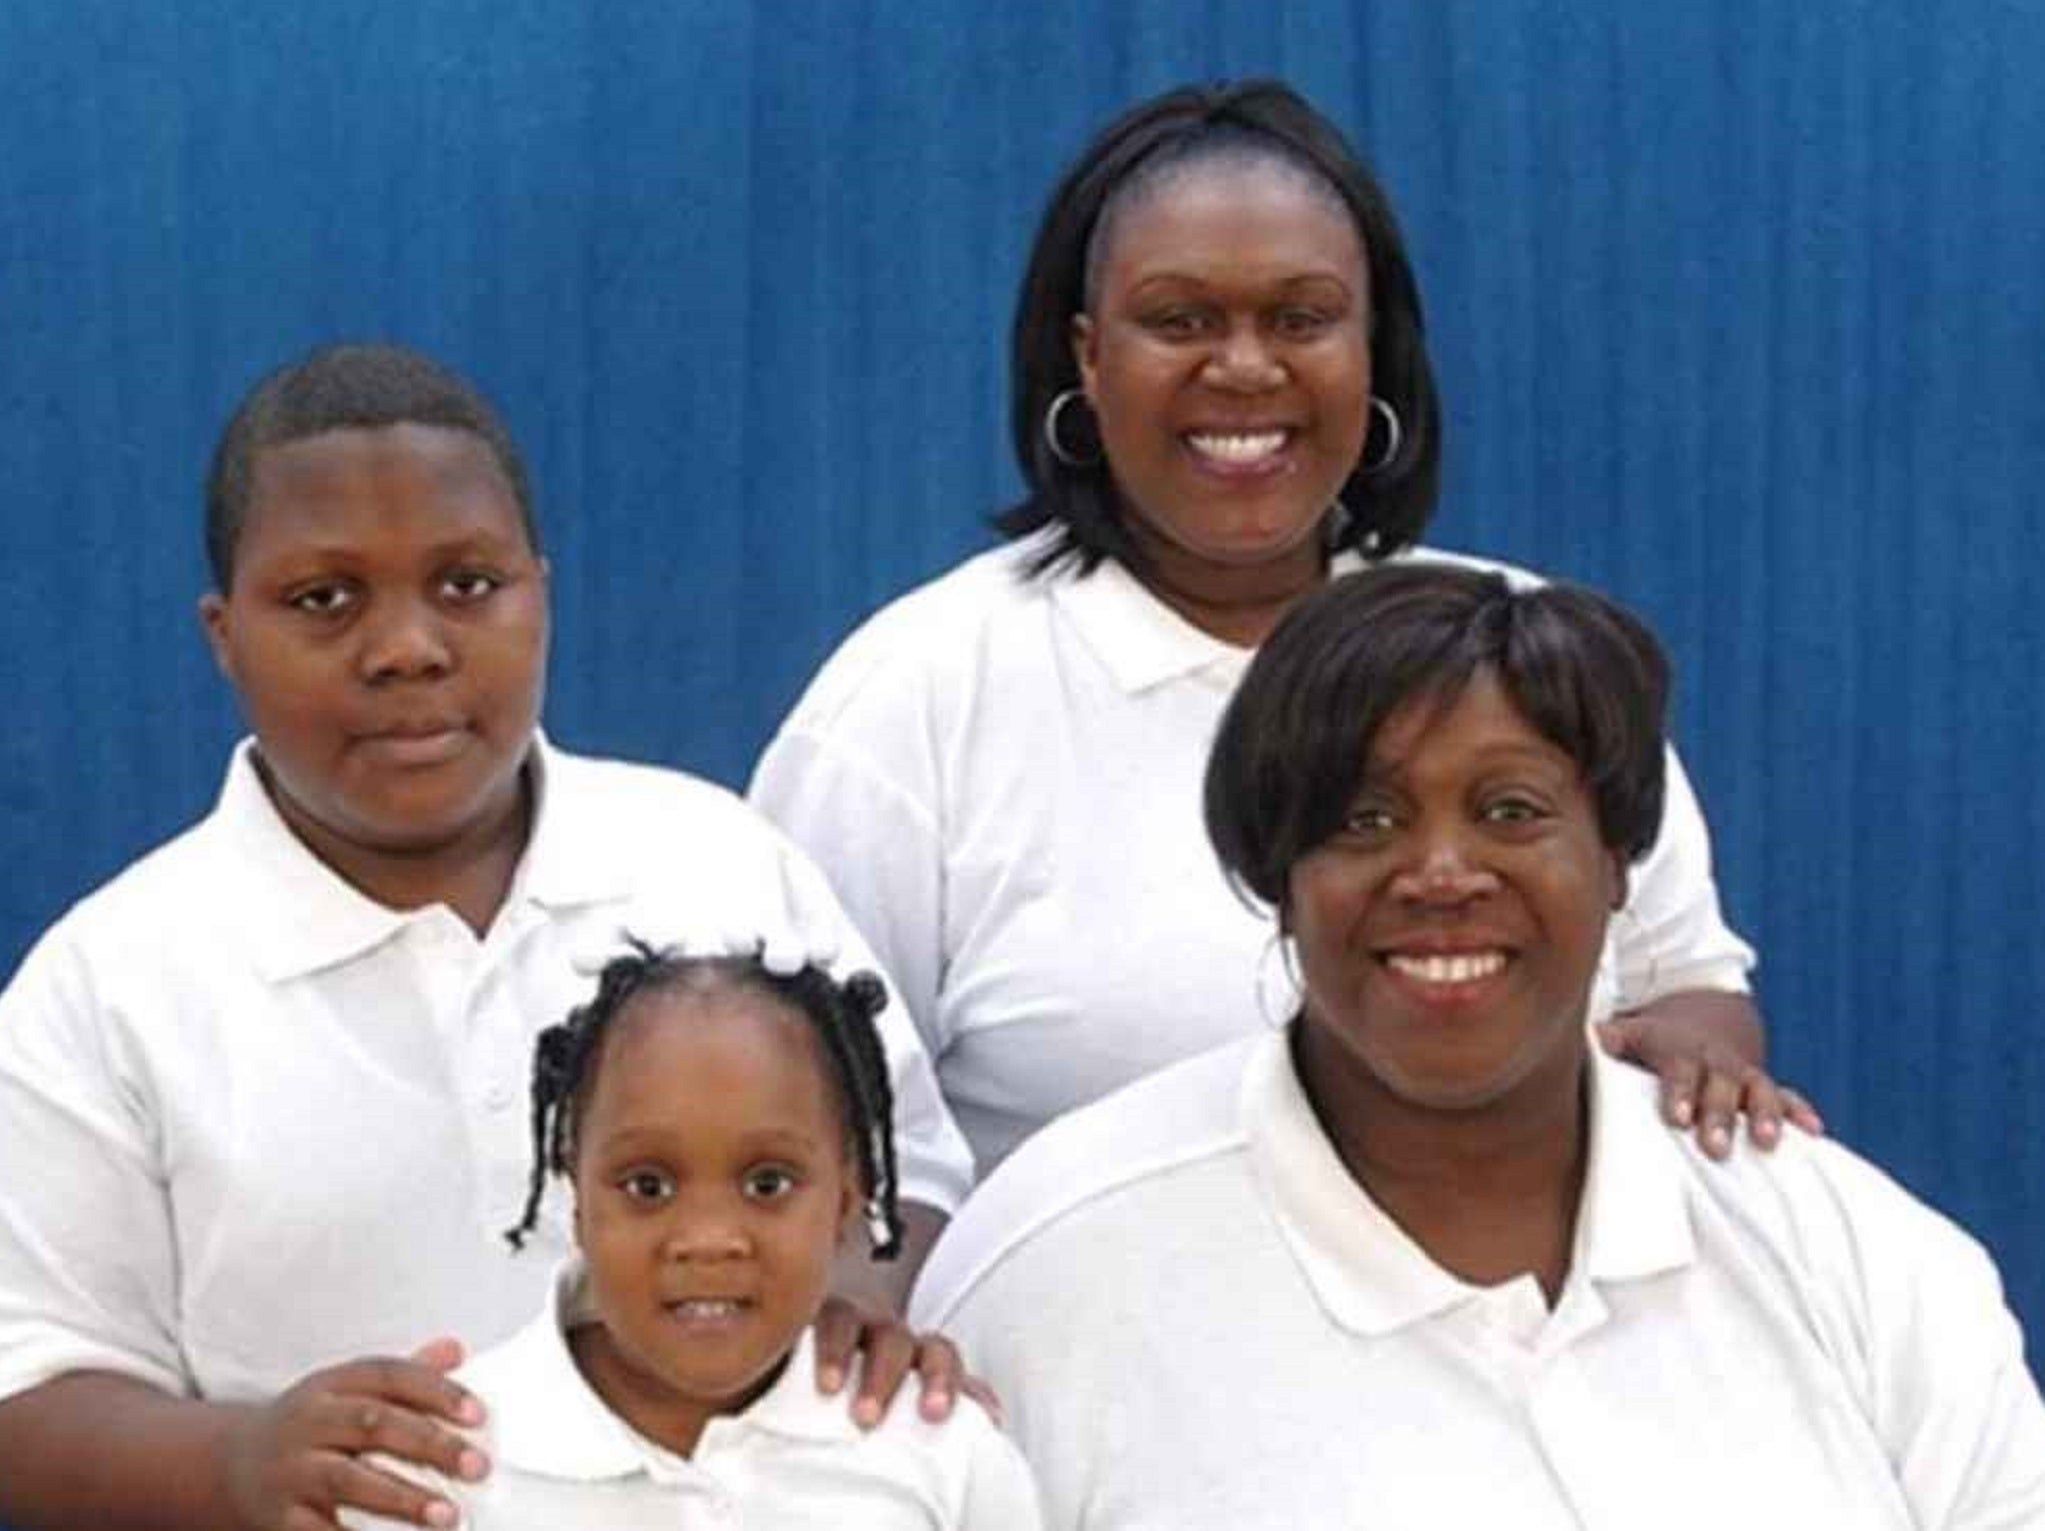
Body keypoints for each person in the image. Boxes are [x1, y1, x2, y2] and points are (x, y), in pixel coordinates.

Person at [750, 79, 1815, 1180]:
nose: (1246, 367)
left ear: (1371, 350)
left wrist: (1700, 1058)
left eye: (1301, 319)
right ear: (1086, 355)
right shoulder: (916, 694)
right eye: (1180, 321)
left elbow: (1684, 982)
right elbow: (803, 1125)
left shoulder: (1512, 647)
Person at [0, 345, 976, 1531]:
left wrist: (854, 1301)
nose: (407, 647)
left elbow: (907, 1173)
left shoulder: (714, 865)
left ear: (541, 593)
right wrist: (239, 1462)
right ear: (223, 633)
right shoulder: (112, 984)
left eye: (466, 585)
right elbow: (27, 1388)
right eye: (324, 599)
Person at [910, 564, 2045, 1527]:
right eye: (1364, 819)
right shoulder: (1055, 1272)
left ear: (1616, 863)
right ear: (1276, 878)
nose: (1442, 874)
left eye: (1510, 811)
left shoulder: (1856, 1257)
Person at [342, 941, 1041, 1530]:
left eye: (767, 1183)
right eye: (648, 1186)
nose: (708, 1239)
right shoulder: (443, 1460)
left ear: (846, 1200)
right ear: (575, 1193)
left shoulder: (941, 1454)